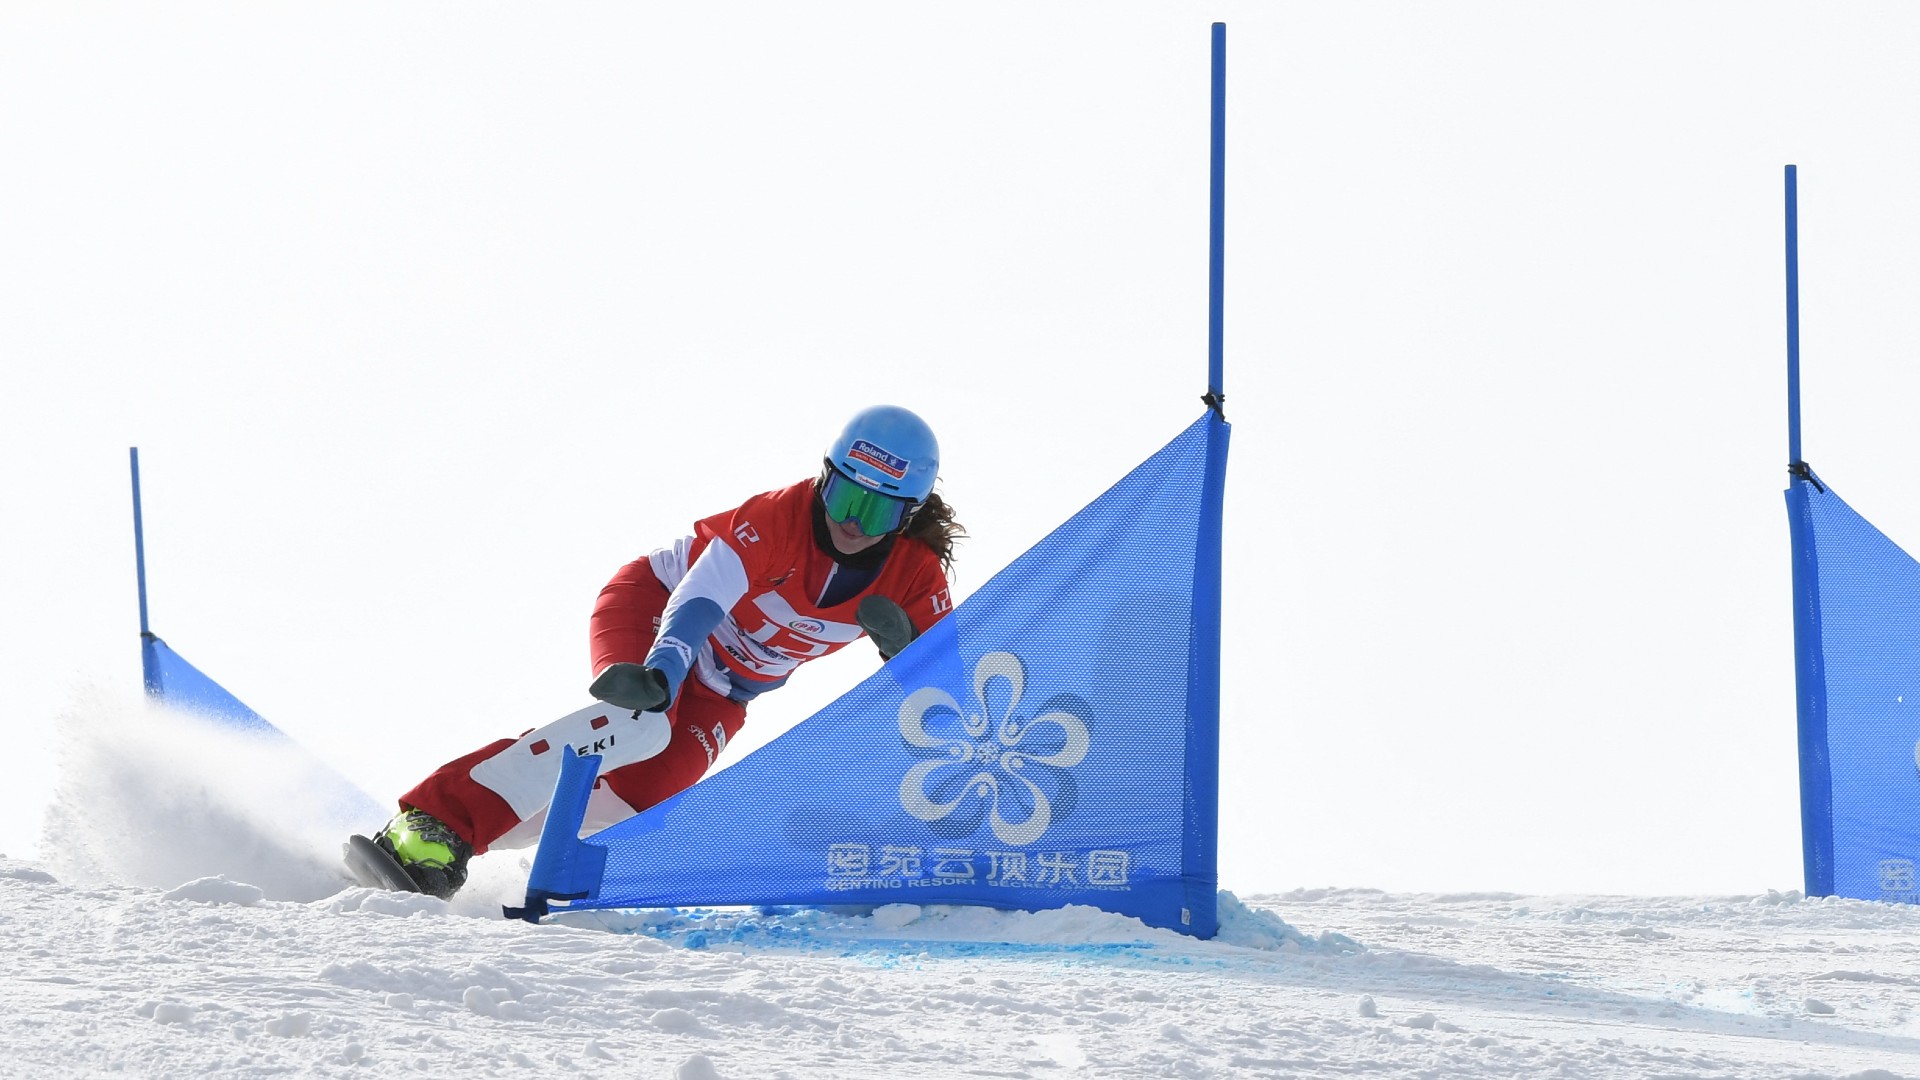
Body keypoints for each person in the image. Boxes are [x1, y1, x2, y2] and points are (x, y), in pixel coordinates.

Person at [361, 405, 963, 899]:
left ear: (908, 514)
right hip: (657, 614)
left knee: (642, 798)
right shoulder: (780, 517)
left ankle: (478, 849)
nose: (852, 523)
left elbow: (950, 697)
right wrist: (663, 668)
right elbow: (700, 598)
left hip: (728, 688)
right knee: (639, 726)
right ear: (824, 476)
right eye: (842, 496)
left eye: (877, 508)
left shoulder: (916, 576)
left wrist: (906, 654)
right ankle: (433, 823)